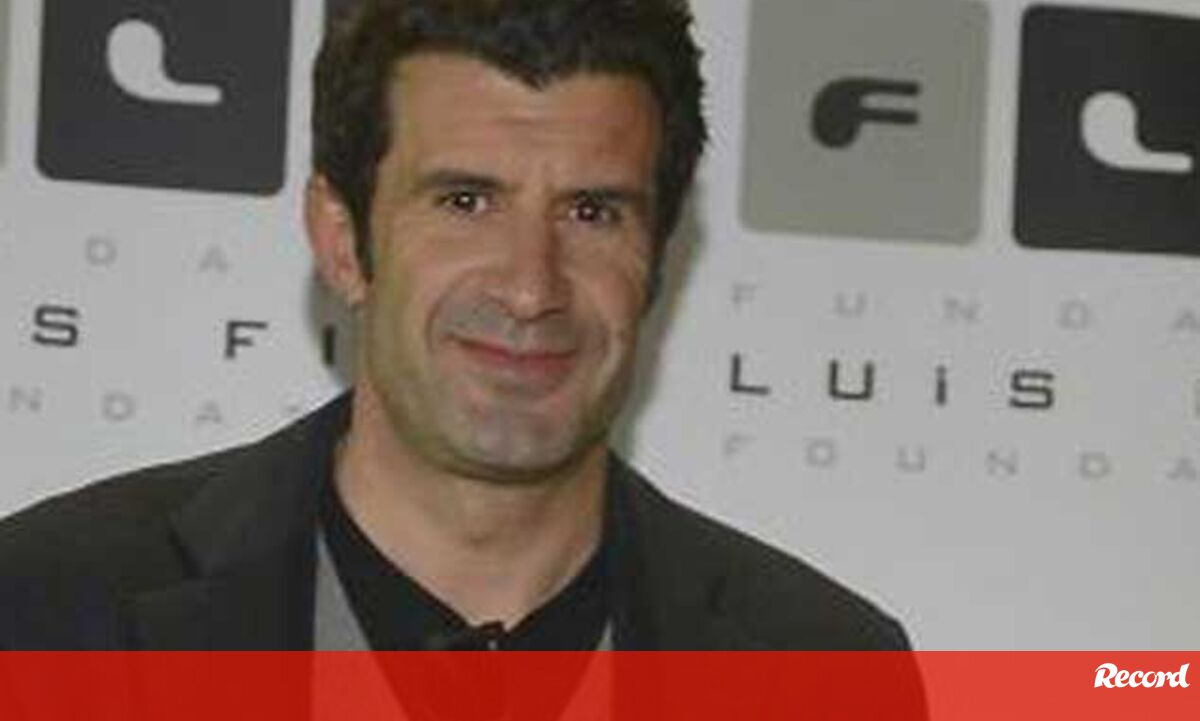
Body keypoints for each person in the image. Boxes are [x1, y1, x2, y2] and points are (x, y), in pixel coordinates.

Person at [0, 0, 910, 652]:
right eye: (466, 200)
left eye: (593, 212)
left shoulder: (822, 665)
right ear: (343, 239)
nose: (530, 286)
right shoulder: (45, 611)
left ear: (659, 257)